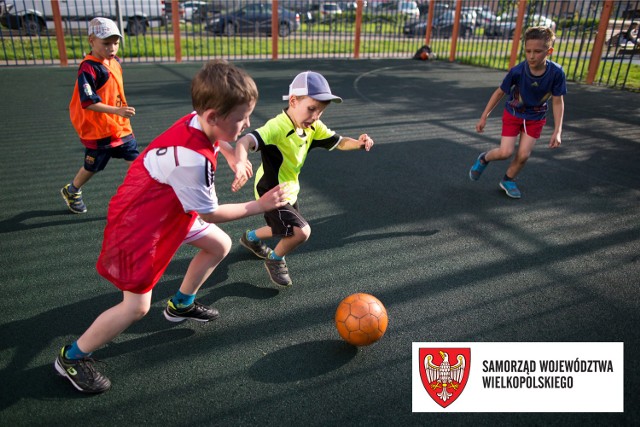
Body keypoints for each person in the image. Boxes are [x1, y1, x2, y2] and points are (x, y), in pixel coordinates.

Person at [54, 60, 289, 393]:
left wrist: (235, 156)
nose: (248, 123)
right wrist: (259, 206)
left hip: (169, 208)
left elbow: (217, 144)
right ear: (213, 117)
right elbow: (210, 213)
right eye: (241, 118)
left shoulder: (198, 120)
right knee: (136, 307)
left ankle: (181, 303)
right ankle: (71, 357)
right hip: (141, 223)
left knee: (218, 245)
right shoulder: (192, 161)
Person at [232, 71, 374, 287]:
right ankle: (275, 259)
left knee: (285, 229)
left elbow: (339, 142)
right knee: (301, 232)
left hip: (289, 189)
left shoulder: (313, 127)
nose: (316, 116)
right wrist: (241, 162)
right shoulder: (277, 126)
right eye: (311, 108)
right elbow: (245, 141)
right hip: (270, 190)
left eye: (320, 111)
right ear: (293, 101)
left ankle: (250, 238)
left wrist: (359, 142)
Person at [468, 26, 566, 199]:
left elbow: (558, 101)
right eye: (528, 51)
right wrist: (484, 116)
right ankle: (484, 158)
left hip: (535, 117)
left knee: (523, 155)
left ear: (549, 51)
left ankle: (508, 179)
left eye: (537, 51)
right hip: (514, 113)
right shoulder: (518, 71)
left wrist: (557, 131)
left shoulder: (557, 73)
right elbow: (499, 93)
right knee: (505, 152)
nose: (531, 56)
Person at [61, 17, 138, 214]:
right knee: (92, 167)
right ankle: (72, 190)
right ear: (91, 41)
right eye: (106, 43)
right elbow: (88, 102)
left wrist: (119, 113)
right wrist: (117, 110)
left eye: (116, 42)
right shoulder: (89, 68)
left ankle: (138, 196)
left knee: (136, 163)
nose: (112, 48)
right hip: (99, 129)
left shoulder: (114, 61)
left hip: (119, 127)